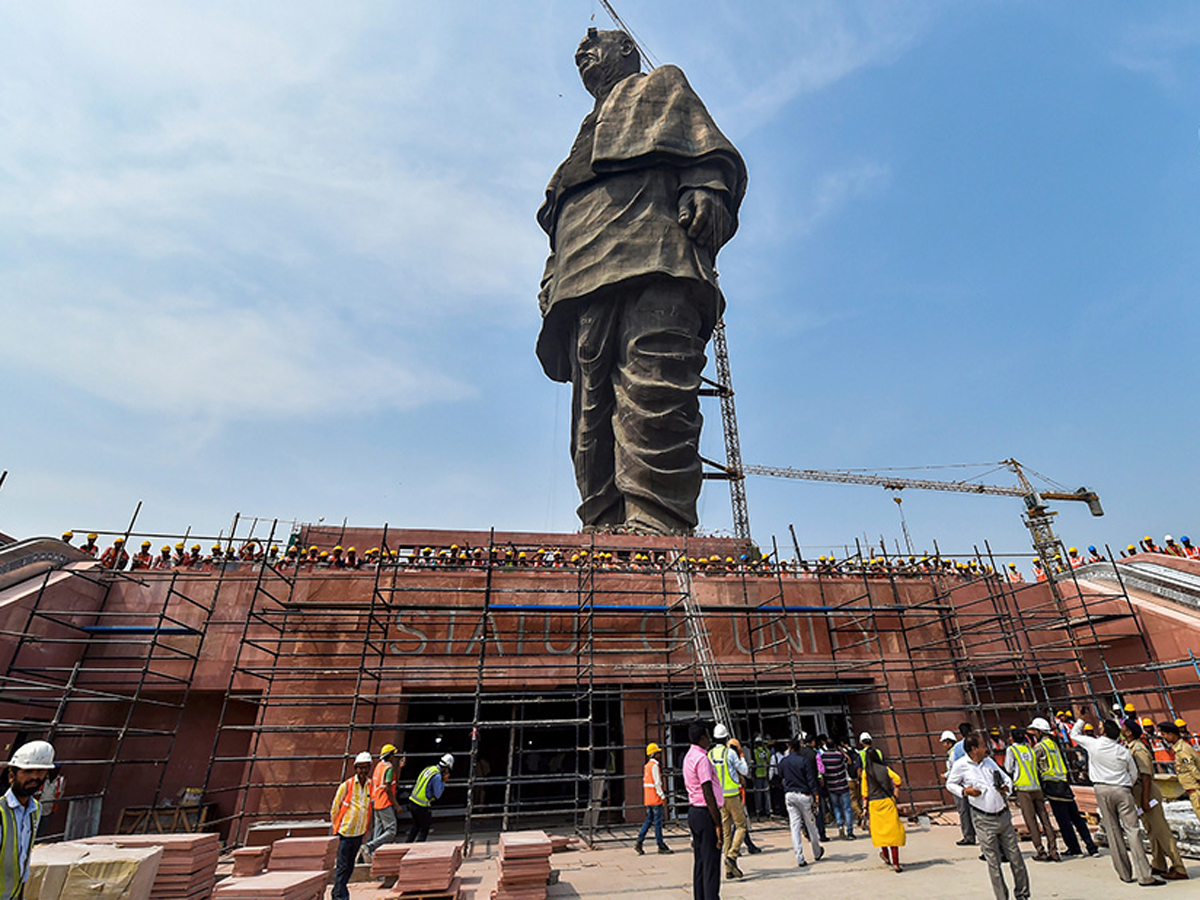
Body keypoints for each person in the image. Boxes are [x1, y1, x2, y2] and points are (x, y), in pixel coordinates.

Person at [535, 27, 747, 536]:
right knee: (591, 412)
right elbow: (559, 209)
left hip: (655, 249)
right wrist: (551, 273)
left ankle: (656, 521)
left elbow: (705, 149)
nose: (583, 53)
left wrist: (706, 185)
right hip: (583, 266)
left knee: (655, 384)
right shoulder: (584, 132)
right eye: (577, 53)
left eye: (594, 46)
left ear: (627, 50)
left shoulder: (661, 85)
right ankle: (604, 526)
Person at [1071, 711, 1164, 886]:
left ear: (1104, 732)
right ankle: (1145, 875)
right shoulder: (1122, 751)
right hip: (1122, 790)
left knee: (1113, 832)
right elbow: (1134, 773)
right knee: (1133, 830)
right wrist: (1124, 785)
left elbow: (1074, 734)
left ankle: (1124, 873)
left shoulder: (1094, 745)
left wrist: (1081, 720)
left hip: (1101, 789)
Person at [947, 734, 1029, 900]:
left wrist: (1007, 787)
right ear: (974, 749)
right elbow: (950, 783)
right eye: (983, 745)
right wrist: (964, 791)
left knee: (1016, 858)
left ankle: (1022, 894)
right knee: (994, 862)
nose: (986, 748)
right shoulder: (961, 765)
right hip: (983, 820)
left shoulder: (989, 762)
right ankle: (1002, 897)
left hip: (1003, 816)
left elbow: (1005, 777)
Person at [1122, 719, 1187, 880]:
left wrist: (1145, 800)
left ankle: (1179, 867)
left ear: (1129, 732)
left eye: (1123, 728)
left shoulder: (1138, 749)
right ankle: (1158, 863)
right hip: (1140, 793)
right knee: (1151, 830)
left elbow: (1146, 776)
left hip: (1147, 793)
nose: (1121, 730)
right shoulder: (1129, 748)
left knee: (1162, 831)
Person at [1028, 717, 1097, 858]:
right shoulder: (1054, 744)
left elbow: (1033, 765)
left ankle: (1075, 849)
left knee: (1063, 820)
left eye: (1035, 731)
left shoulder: (1039, 747)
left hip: (1052, 785)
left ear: (1040, 731)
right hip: (1064, 783)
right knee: (1076, 817)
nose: (1034, 734)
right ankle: (1091, 847)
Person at [1, 740, 56, 900]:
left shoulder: (35, 810)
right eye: (28, 771)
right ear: (12, 776)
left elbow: (23, 857)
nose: (34, 777)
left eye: (40, 771)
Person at [1003, 725, 1060, 861]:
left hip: (1023, 789)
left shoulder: (1012, 750)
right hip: (1037, 787)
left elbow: (1008, 768)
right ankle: (1054, 850)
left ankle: (1041, 851)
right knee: (1045, 820)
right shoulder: (1030, 749)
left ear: (1012, 738)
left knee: (1031, 821)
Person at [682, 720, 722, 900]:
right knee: (711, 863)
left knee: (700, 861)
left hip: (694, 812)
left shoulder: (689, 756)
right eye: (707, 736)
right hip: (706, 812)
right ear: (702, 738)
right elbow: (708, 792)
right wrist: (718, 823)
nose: (709, 740)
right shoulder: (702, 759)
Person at [330, 751, 373, 900]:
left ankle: (339, 892)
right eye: (360, 768)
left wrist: (367, 829)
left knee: (349, 867)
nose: (363, 771)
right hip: (345, 833)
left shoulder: (370, 785)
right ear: (355, 769)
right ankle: (339, 896)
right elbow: (335, 807)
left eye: (366, 767)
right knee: (342, 867)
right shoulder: (347, 786)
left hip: (359, 833)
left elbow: (368, 808)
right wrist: (336, 827)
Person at [707, 724, 747, 879]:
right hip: (732, 795)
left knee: (726, 831)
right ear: (725, 738)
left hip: (718, 798)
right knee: (741, 826)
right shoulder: (730, 753)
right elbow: (744, 770)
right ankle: (732, 855)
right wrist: (741, 754)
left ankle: (728, 869)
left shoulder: (710, 754)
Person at [779, 736, 824, 868]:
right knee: (811, 825)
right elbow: (810, 780)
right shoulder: (803, 761)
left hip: (790, 795)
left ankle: (799, 857)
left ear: (789, 747)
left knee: (795, 827)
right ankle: (816, 852)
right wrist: (815, 795)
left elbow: (781, 777)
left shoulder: (784, 762)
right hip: (804, 795)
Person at [862, 744, 905, 873]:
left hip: (874, 804)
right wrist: (896, 792)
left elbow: (864, 792)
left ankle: (886, 856)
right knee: (893, 833)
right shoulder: (885, 769)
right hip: (888, 802)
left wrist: (865, 808)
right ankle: (896, 863)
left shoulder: (866, 772)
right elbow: (897, 779)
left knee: (881, 833)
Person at [364, 744, 405, 860]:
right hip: (385, 803)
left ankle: (372, 856)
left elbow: (389, 782)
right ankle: (369, 846)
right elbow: (388, 788)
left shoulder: (379, 766)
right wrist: (396, 805)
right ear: (390, 755)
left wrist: (400, 768)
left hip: (376, 801)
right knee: (391, 830)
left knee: (378, 830)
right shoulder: (389, 768)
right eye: (393, 754)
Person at [1158, 721, 1200, 822]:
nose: (1164, 738)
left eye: (1164, 734)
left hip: (1195, 790)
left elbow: (1192, 769)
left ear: (1171, 734)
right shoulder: (1179, 748)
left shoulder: (1182, 750)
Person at [635, 742, 673, 855]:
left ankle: (639, 841)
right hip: (656, 798)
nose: (659, 755)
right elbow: (657, 783)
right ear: (654, 754)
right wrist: (663, 797)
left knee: (648, 820)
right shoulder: (655, 766)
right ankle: (660, 845)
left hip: (648, 798)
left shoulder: (646, 766)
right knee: (657, 822)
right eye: (657, 753)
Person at [406, 753, 453, 843]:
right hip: (421, 805)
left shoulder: (429, 769)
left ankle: (407, 845)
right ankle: (418, 848)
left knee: (416, 826)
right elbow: (437, 794)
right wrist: (443, 782)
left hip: (412, 801)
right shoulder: (437, 776)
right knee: (424, 828)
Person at [818, 734, 854, 839]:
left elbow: (821, 770)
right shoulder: (839, 755)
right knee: (847, 808)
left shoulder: (823, 757)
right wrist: (842, 751)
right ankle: (850, 831)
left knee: (836, 807)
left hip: (832, 786)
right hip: (842, 785)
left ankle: (840, 825)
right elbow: (849, 761)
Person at [948, 722, 977, 845]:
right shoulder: (977, 743)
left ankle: (969, 836)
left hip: (962, 783)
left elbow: (952, 765)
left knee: (964, 811)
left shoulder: (957, 748)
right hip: (975, 780)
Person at [752, 737, 771, 818]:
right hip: (765, 773)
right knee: (767, 793)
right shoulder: (766, 751)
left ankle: (758, 810)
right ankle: (768, 810)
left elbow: (753, 763)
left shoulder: (755, 751)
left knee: (758, 793)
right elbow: (769, 761)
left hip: (758, 773)